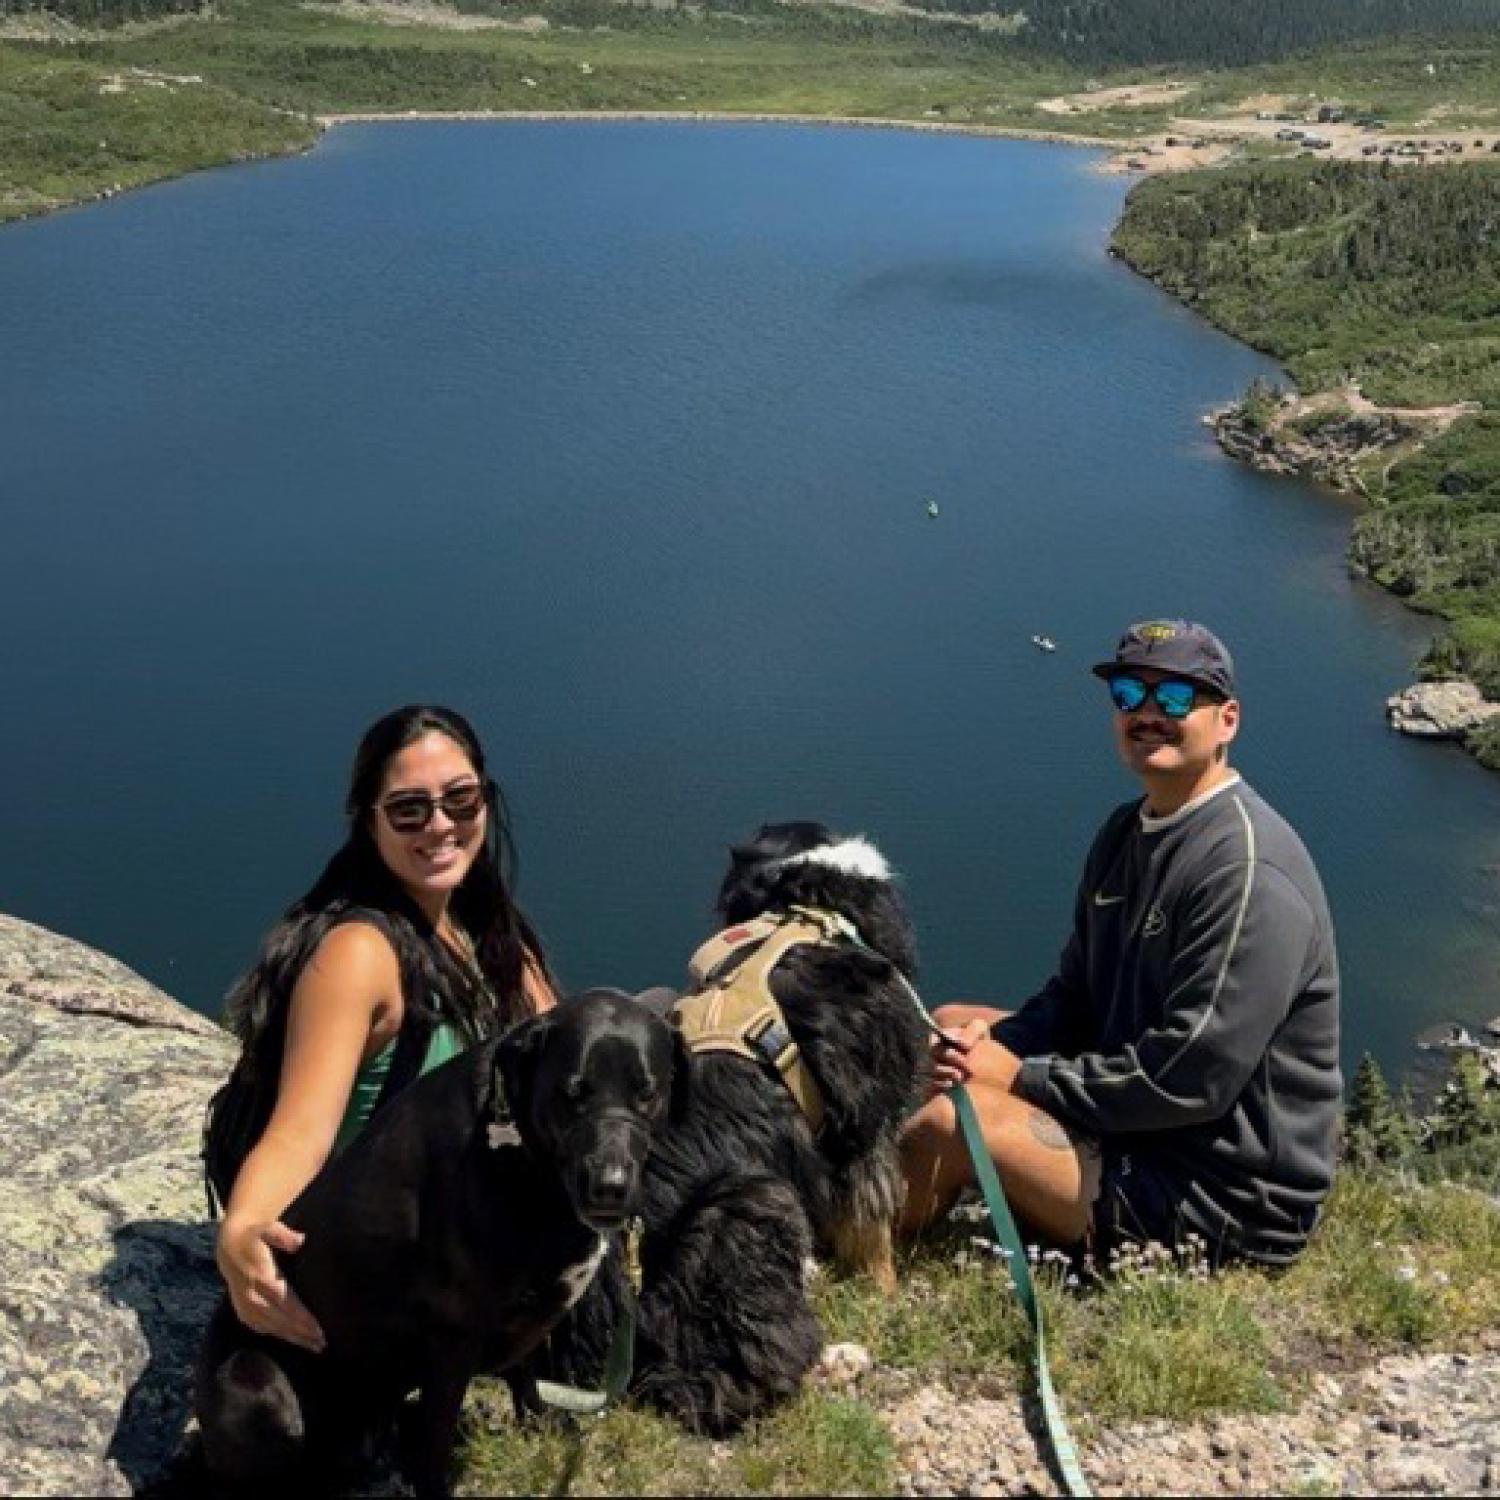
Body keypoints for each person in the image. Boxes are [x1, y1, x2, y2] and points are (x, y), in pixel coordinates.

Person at [900, 620, 1341, 1267]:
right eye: (1131, 694)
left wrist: (1019, 1076)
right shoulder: (1126, 835)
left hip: (1217, 1193)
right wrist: (991, 1047)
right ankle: (906, 1197)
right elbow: (1076, 997)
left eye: (1174, 699)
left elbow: (1192, 1077)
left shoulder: (1247, 873)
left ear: (1227, 720)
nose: (1147, 714)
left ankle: (851, 1252)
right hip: (1145, 1127)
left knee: (952, 1120)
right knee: (953, 1026)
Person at [215, 705, 557, 1350]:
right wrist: (245, 1225)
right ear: (367, 819)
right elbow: (299, 1133)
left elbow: (556, 1046)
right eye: (408, 810)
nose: (440, 826)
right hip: (398, 1256)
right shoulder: (358, 953)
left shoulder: (482, 925)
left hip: (474, 1221)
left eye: (462, 799)